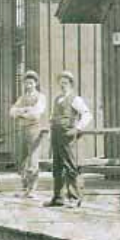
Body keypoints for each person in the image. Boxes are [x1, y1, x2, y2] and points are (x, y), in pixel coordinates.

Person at [46, 71, 92, 208]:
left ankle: (74, 197)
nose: (62, 86)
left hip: (67, 136)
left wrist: (77, 129)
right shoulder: (57, 99)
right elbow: (53, 117)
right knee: (57, 166)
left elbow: (87, 114)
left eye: (65, 83)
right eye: (60, 83)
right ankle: (58, 197)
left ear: (71, 84)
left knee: (70, 165)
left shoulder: (75, 99)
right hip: (56, 135)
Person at [9, 70, 48, 198]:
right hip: (23, 130)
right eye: (26, 83)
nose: (28, 86)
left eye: (31, 83)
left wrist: (22, 114)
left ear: (36, 83)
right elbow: (12, 112)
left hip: (35, 130)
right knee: (22, 159)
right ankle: (24, 187)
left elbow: (36, 113)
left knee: (33, 160)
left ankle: (32, 189)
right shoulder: (23, 97)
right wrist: (25, 110)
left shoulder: (40, 97)